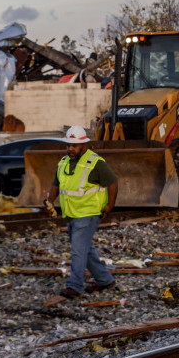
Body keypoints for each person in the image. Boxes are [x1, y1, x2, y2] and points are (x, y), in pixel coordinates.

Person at [44, 126, 119, 298]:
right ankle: (105, 280)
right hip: (71, 214)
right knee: (86, 249)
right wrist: (50, 201)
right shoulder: (63, 162)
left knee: (78, 250)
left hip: (88, 214)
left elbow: (113, 183)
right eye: (68, 145)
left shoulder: (96, 163)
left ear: (84, 145)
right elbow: (56, 183)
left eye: (74, 146)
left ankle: (74, 286)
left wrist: (109, 206)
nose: (70, 148)